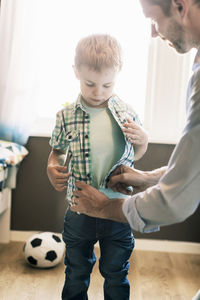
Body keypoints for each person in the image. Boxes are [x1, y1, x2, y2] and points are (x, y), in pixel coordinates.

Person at [47, 34, 148, 300]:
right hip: (80, 209)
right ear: (76, 71)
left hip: (117, 209)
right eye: (90, 83)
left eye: (107, 84)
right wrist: (52, 167)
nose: (98, 92)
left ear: (118, 74)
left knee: (116, 272)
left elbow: (136, 155)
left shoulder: (127, 113)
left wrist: (144, 141)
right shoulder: (65, 116)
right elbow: (56, 153)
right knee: (76, 271)